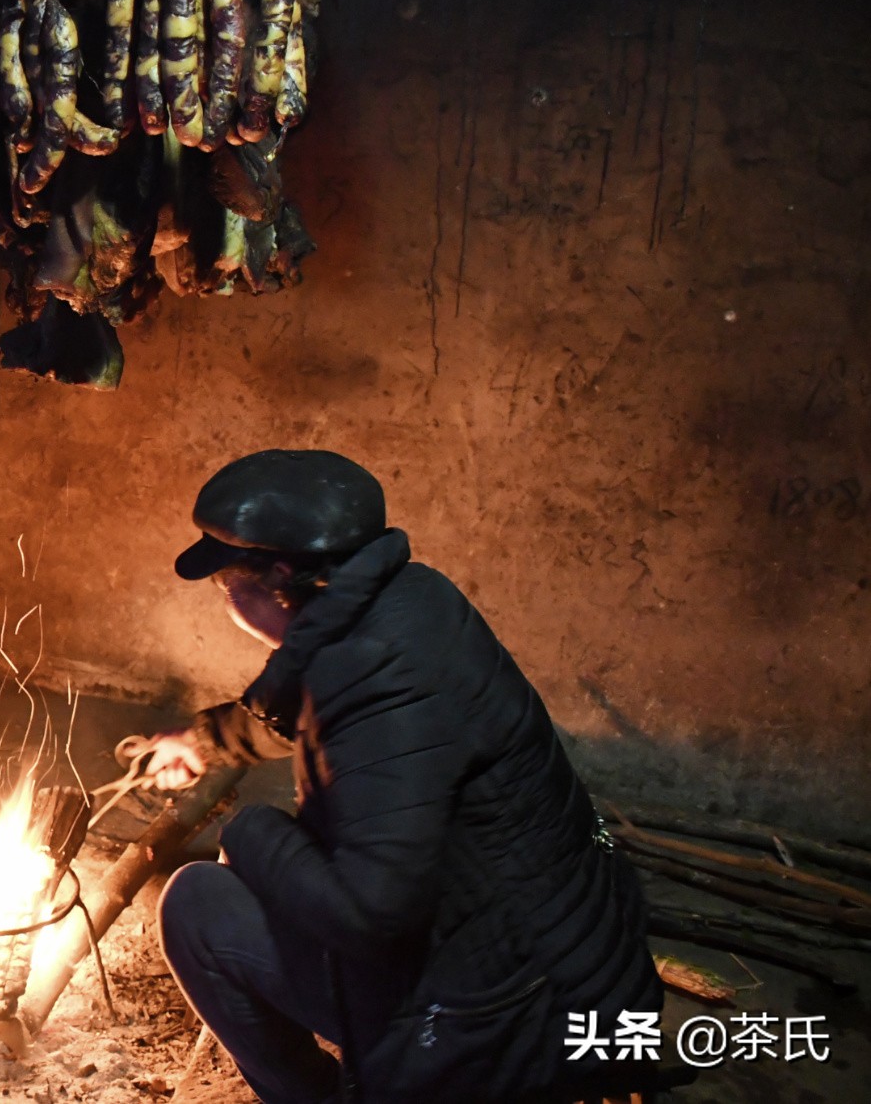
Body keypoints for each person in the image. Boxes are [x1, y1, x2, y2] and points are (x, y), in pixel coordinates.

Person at [140, 450, 660, 1104]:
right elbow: (304, 694)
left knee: (196, 904)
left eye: (226, 586)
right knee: (272, 868)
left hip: (509, 1026)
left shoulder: (369, 673)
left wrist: (248, 829)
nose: (225, 603)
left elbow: (370, 914)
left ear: (276, 579)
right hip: (575, 966)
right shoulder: (405, 599)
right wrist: (204, 739)